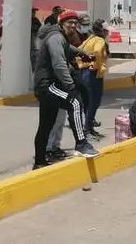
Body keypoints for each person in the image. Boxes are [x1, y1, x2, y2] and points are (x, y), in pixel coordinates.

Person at [33, 9, 99, 168]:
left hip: (46, 86)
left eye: (75, 23)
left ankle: (40, 162)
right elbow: (59, 64)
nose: (73, 25)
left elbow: (67, 48)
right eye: (70, 22)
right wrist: (70, 86)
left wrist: (82, 53)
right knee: (75, 103)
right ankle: (82, 144)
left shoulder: (58, 36)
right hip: (48, 85)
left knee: (46, 125)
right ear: (61, 23)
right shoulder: (56, 38)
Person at [78, 19, 109, 140]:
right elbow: (97, 51)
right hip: (93, 75)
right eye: (107, 31)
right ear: (103, 30)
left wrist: (88, 63)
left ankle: (88, 128)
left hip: (85, 73)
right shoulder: (99, 40)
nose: (108, 33)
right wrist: (97, 64)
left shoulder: (89, 39)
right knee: (94, 102)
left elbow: (79, 51)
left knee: (87, 102)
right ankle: (87, 129)